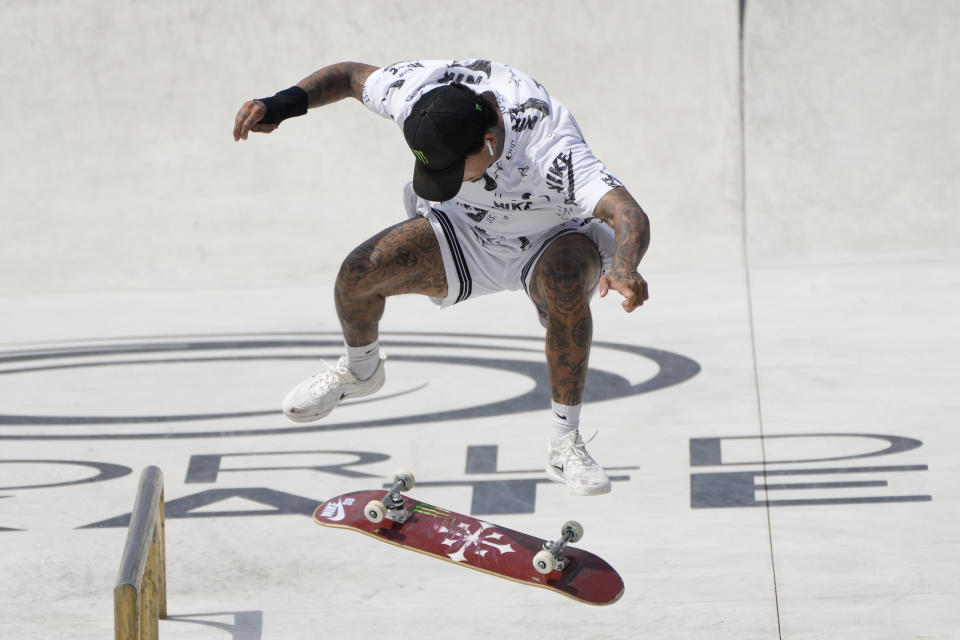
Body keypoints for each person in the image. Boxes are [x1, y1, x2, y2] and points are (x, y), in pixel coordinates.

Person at [233, 59, 649, 496]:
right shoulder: (419, 93)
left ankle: (565, 443)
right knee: (358, 274)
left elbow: (628, 213)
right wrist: (279, 105)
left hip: (551, 238)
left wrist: (625, 266)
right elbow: (350, 77)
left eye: (452, 170)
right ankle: (361, 372)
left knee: (563, 284)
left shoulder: (549, 148)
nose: (442, 179)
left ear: (489, 142)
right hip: (467, 233)